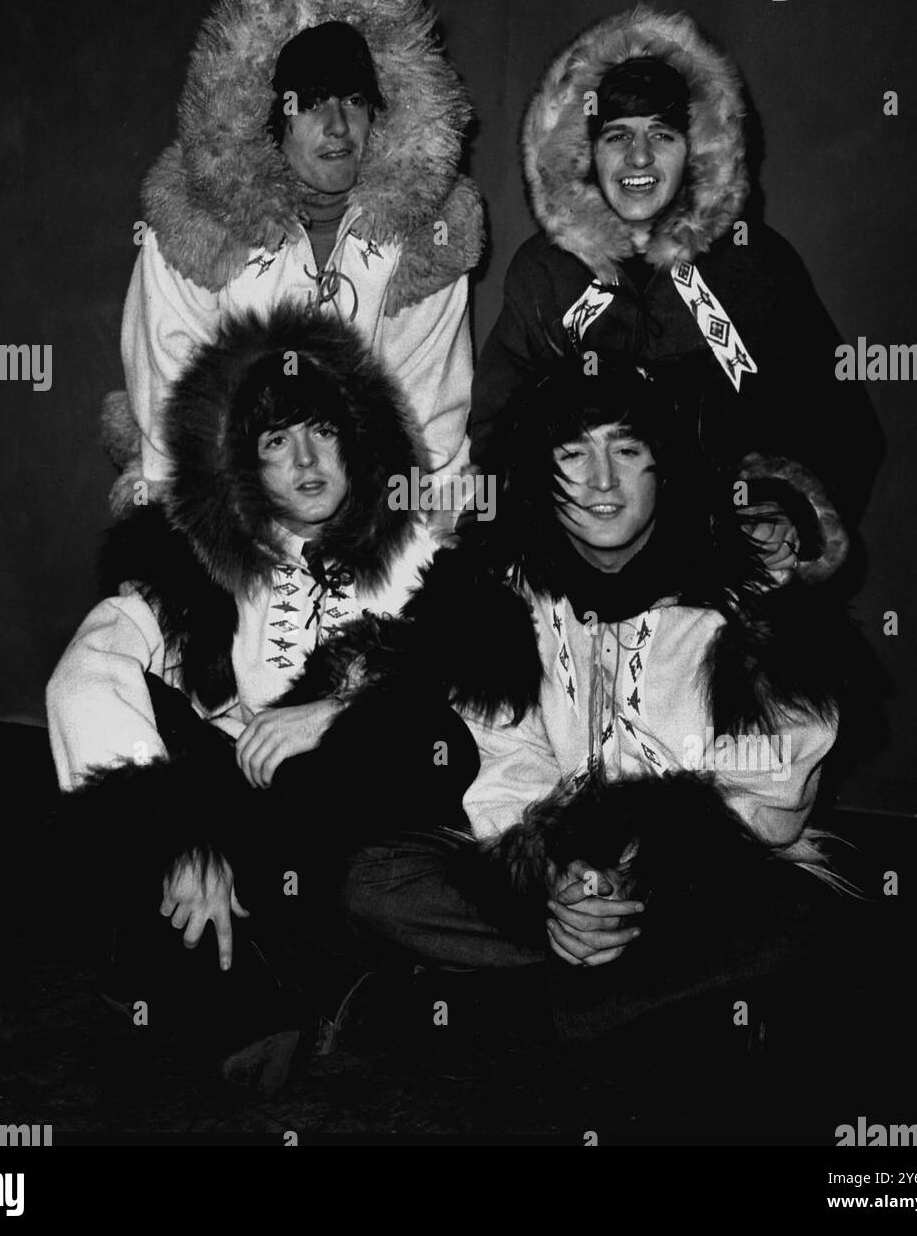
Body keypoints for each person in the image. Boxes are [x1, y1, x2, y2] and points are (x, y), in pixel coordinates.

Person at [337, 356, 853, 1049]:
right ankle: (638, 1006)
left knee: (795, 920)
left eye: (627, 451)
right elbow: (504, 756)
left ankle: (517, 1009)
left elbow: (771, 792)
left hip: (697, 883)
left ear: (662, 468)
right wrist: (554, 881)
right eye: (572, 454)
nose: (601, 482)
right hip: (561, 875)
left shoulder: (751, 596)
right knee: (378, 881)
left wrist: (630, 880)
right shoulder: (508, 598)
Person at [48, 303, 474, 1086]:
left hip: (361, 823)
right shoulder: (204, 561)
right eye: (277, 442)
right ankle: (276, 988)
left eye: (323, 430)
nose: (307, 461)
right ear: (246, 462)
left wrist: (340, 707)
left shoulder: (421, 548)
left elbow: (472, 713)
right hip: (243, 807)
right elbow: (91, 664)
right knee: (136, 701)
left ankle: (206, 972)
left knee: (422, 728)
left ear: (357, 435)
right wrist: (175, 834)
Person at [470, 4, 883, 583]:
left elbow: (839, 429)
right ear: (585, 153)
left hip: (727, 576)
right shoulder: (546, 275)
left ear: (698, 149)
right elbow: (497, 436)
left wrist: (784, 513)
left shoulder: (756, 268)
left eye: (661, 134)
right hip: (585, 577)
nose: (638, 158)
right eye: (617, 136)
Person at [108, 0, 482, 518]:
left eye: (354, 100)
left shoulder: (423, 238)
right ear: (267, 114)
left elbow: (430, 426)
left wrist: (401, 546)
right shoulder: (196, 227)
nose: (337, 126)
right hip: (228, 514)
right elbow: (172, 409)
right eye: (308, 103)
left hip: (375, 518)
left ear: (381, 112)